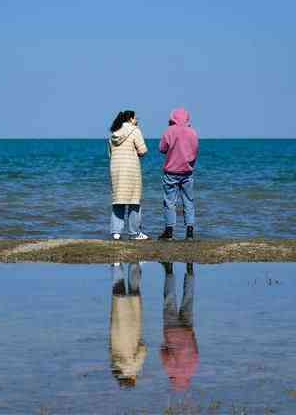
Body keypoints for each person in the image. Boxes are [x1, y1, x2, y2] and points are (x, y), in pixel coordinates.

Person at [157, 107, 199, 241]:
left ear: (173, 118)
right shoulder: (192, 132)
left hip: (171, 171)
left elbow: (162, 149)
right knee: (189, 202)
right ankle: (190, 232)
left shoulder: (169, 131)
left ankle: (169, 232)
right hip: (187, 171)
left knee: (170, 202)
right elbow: (195, 150)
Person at [108, 110, 149, 240]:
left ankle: (116, 232)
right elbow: (143, 150)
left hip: (116, 169)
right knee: (134, 201)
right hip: (131, 170)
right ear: (130, 119)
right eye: (136, 118)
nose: (137, 120)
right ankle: (134, 232)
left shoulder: (113, 134)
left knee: (118, 200)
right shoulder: (135, 130)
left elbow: (110, 154)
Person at [160, 262, 199, 391]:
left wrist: (191, 333)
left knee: (189, 298)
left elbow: (196, 350)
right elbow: (164, 354)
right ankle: (169, 270)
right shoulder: (171, 371)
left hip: (188, 330)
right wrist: (164, 345)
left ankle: (190, 271)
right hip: (171, 330)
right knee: (169, 299)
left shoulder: (193, 368)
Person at [109, 263, 147, 387]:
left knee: (134, 289)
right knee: (117, 287)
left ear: (132, 379)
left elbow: (143, 350)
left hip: (133, 326)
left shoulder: (133, 367)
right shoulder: (115, 365)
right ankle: (116, 264)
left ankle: (134, 263)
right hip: (117, 325)